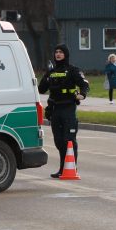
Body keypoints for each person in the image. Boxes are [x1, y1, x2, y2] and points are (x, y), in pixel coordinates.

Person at [38, 43, 90, 179]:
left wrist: (82, 94)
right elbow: (41, 89)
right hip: (55, 109)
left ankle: (72, 168)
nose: (58, 54)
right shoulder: (51, 71)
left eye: (61, 52)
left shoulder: (73, 70)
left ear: (65, 54)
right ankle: (62, 169)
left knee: (69, 140)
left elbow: (84, 84)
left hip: (68, 108)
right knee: (59, 141)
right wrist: (46, 76)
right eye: (56, 52)